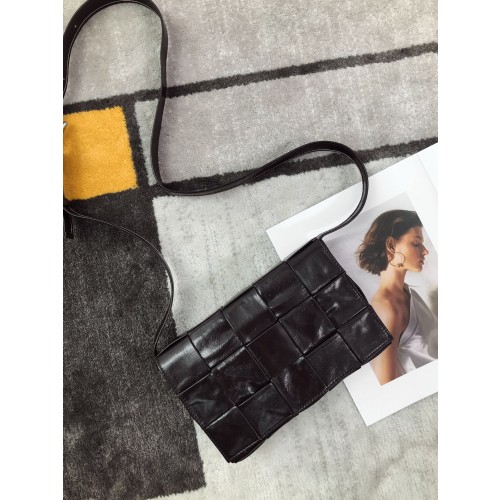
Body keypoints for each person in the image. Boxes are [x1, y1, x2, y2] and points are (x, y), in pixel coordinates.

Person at [355, 210, 438, 385]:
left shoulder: (406, 291)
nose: (425, 251)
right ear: (391, 245)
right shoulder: (386, 309)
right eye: (416, 243)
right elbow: (389, 384)